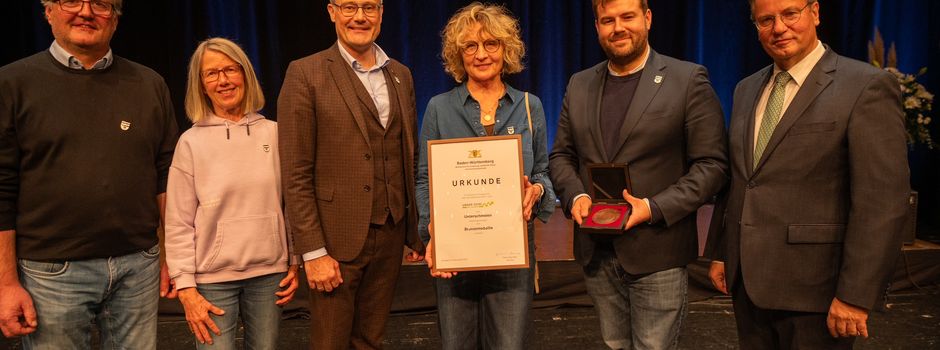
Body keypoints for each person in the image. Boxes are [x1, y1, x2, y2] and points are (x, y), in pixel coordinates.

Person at [703, 0, 910, 348]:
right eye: (766, 20)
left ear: (815, 13)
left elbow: (883, 202)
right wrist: (723, 252)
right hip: (747, 285)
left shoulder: (866, 86)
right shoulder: (745, 89)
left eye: (790, 14)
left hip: (819, 292)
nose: (778, 28)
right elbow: (740, 180)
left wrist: (856, 295)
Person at [549, 0, 728, 348]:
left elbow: (712, 166)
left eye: (627, 17)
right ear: (597, 27)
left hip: (658, 251)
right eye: (607, 20)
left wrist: (653, 207)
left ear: (647, 18)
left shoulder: (688, 80)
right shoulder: (579, 84)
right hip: (597, 253)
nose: (618, 28)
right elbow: (561, 156)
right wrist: (575, 195)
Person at [0, 0, 179, 347]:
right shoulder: (11, 83)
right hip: (51, 274)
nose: (86, 12)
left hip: (139, 267)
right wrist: (5, 283)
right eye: (71, 1)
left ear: (115, 19)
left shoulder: (149, 83)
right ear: (48, 11)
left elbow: (165, 176)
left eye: (100, 4)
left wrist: (172, 257)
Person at [277, 0, 424, 348]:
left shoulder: (401, 74)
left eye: (369, 7)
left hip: (390, 233)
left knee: (371, 340)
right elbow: (296, 174)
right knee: (330, 342)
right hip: (334, 242)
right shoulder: (305, 73)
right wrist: (312, 252)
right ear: (332, 12)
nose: (360, 17)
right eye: (349, 7)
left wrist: (414, 230)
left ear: (381, 13)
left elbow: (407, 154)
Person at [415, 3, 556, 349]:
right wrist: (432, 232)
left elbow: (543, 172)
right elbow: (425, 179)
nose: (481, 54)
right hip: (455, 254)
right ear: (457, 54)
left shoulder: (529, 106)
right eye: (470, 46)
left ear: (506, 49)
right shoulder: (438, 108)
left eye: (491, 43)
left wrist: (537, 191)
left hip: (511, 255)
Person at [164, 37, 300, 349]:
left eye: (230, 70)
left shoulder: (274, 133)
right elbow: (178, 222)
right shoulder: (190, 143)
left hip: (270, 276)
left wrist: (294, 260)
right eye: (211, 73)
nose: (223, 80)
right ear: (201, 85)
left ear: (245, 75)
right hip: (212, 281)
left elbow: (292, 204)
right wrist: (185, 286)